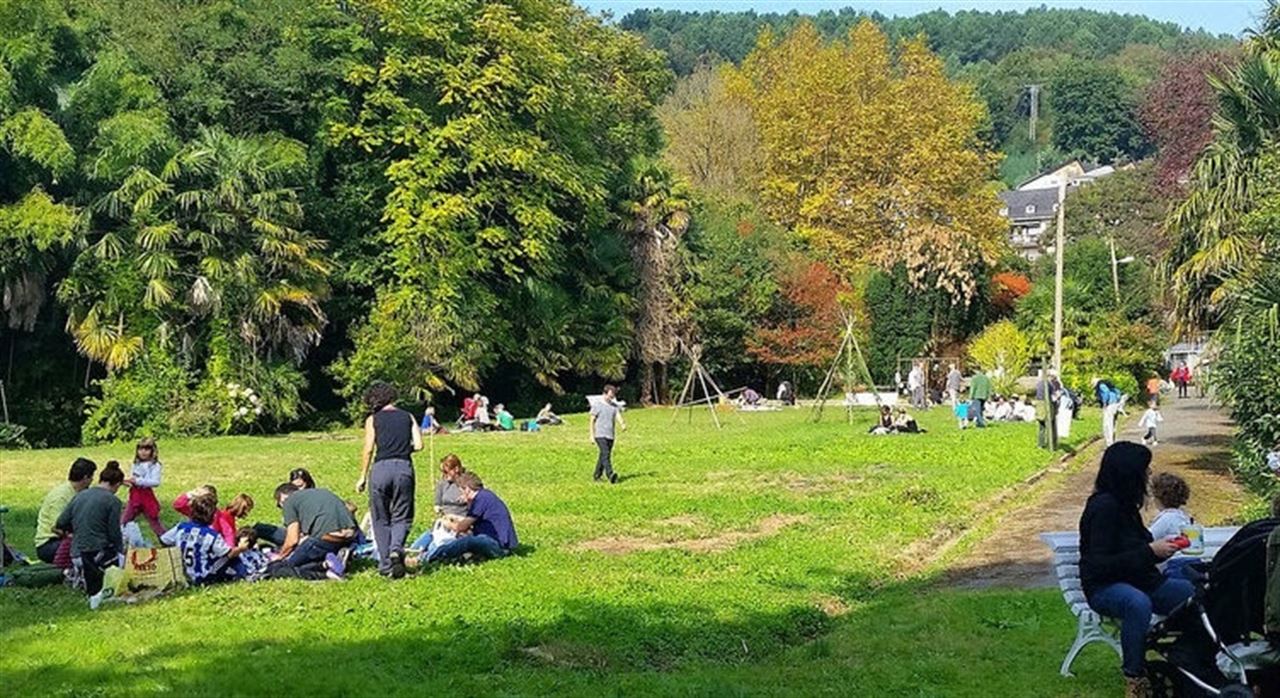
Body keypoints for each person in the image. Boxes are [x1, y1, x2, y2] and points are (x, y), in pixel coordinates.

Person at [1079, 442, 1192, 696]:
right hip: (1105, 587)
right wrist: (1150, 552)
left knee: (1193, 594)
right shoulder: (1103, 508)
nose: (1149, 474)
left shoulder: (1127, 506)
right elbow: (1099, 565)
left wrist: (1162, 548)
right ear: (1130, 473)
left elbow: (1140, 548)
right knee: (1136, 603)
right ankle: (1135, 677)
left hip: (1143, 580)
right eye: (1145, 469)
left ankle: (1192, 659)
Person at [355, 381, 422, 579]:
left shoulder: (373, 419)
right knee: (402, 514)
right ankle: (396, 549)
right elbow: (419, 445)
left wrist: (362, 477)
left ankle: (385, 565)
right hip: (403, 467)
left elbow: (368, 449)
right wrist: (402, 449)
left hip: (380, 468)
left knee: (380, 517)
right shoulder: (408, 417)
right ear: (392, 397)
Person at [56, 461, 126, 598]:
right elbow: (114, 534)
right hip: (96, 555)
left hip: (76, 554)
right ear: (117, 484)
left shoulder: (80, 495)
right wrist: (121, 552)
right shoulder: (113, 501)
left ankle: (79, 576)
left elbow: (61, 522)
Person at [265, 483, 357, 581]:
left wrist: (280, 556)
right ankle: (332, 560)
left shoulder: (289, 502)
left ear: (282, 499)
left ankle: (326, 571)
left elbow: (292, 540)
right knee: (306, 557)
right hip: (350, 537)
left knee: (281, 568)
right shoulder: (320, 492)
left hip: (325, 538)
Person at [426, 472, 518, 564]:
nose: (460, 495)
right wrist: (453, 516)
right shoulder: (485, 496)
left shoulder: (481, 499)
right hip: (493, 541)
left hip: (499, 546)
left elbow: (461, 527)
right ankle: (421, 552)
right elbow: (470, 520)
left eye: (461, 491)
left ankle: (430, 557)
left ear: (467, 489)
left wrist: (446, 522)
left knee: (467, 541)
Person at [160, 494, 252, 585]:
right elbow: (229, 554)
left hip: (183, 574)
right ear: (212, 516)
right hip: (203, 577)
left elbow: (164, 540)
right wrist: (241, 548)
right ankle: (245, 575)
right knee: (232, 557)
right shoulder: (211, 535)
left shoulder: (181, 527)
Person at [35, 457, 96, 567]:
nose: (92, 480)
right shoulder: (61, 497)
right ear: (86, 477)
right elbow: (57, 528)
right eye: (92, 476)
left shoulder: (81, 492)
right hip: (49, 543)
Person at [408, 454, 470, 555]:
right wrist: (439, 510)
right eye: (443, 472)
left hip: (458, 526)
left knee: (435, 548)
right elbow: (438, 503)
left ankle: (423, 559)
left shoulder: (467, 484)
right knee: (416, 547)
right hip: (442, 524)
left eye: (446, 472)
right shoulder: (443, 483)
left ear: (456, 469)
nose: (445, 475)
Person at [1148, 473, 1199, 581]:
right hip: (1193, 563)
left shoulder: (1166, 520)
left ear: (1157, 498)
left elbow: (1148, 539)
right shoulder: (1184, 517)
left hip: (1176, 566)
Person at [120, 437, 166, 538]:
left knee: (154, 522)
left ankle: (166, 540)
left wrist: (138, 481)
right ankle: (120, 539)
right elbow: (134, 478)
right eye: (140, 449)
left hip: (146, 497)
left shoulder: (155, 465)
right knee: (124, 520)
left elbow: (155, 482)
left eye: (147, 449)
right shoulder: (136, 463)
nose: (143, 452)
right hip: (135, 497)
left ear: (152, 451)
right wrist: (127, 482)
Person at [590, 384, 626, 484]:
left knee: (603, 455)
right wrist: (591, 435)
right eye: (610, 396)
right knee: (606, 454)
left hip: (610, 435)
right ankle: (610, 474)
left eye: (613, 396)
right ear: (604, 394)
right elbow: (592, 420)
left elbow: (618, 415)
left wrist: (622, 424)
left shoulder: (614, 406)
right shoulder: (597, 405)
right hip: (600, 435)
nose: (611, 398)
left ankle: (597, 475)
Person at [1093, 378, 1125, 446]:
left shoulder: (1101, 385)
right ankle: (1112, 440)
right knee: (1113, 424)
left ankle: (1110, 443)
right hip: (1115, 405)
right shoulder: (1110, 386)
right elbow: (1118, 392)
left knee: (1107, 425)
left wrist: (1105, 402)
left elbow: (1106, 392)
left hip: (1109, 406)